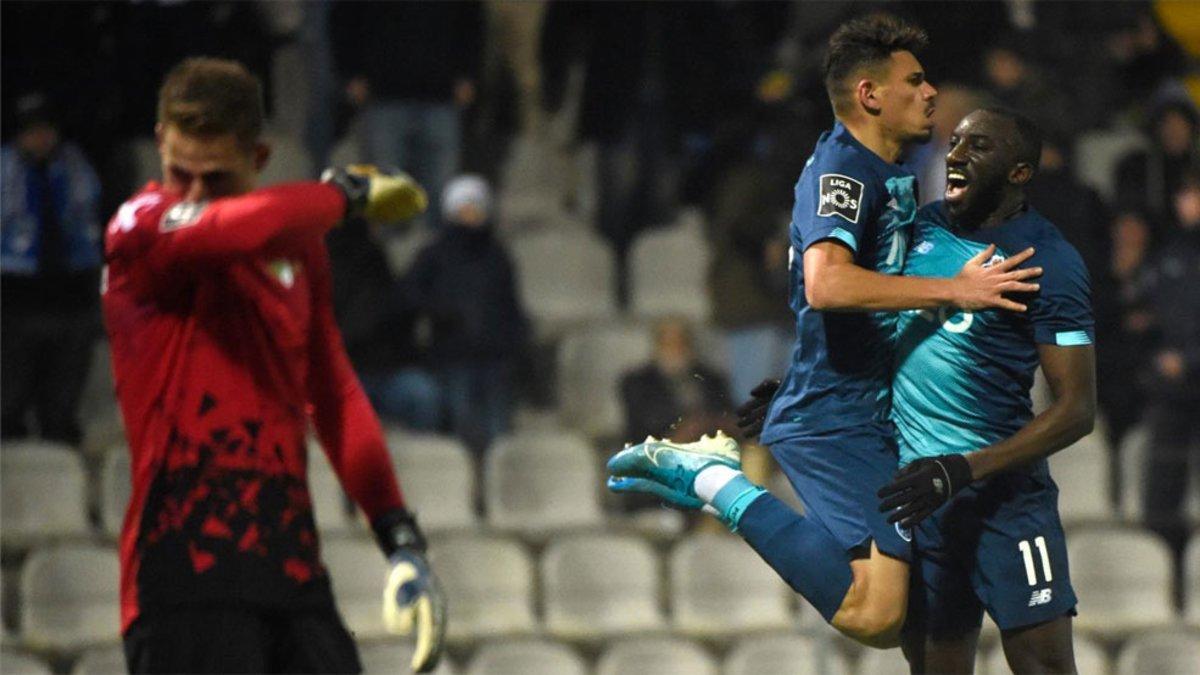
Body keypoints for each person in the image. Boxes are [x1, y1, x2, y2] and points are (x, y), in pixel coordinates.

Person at [608, 14, 1039, 649]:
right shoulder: (842, 174)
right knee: (877, 616)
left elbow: (861, 308)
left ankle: (710, 479)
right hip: (837, 419)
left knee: (912, 611)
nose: (930, 94)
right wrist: (955, 289)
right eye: (915, 82)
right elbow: (827, 284)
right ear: (869, 95)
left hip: (859, 407)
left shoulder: (886, 173)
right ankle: (711, 480)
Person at [102, 58, 444, 674]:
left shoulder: (298, 251)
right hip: (182, 574)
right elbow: (233, 229)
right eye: (181, 173)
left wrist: (398, 535)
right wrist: (346, 194)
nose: (196, 195)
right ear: (159, 146)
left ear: (258, 160)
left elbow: (334, 393)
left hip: (292, 572)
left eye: (217, 178)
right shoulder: (139, 230)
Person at [880, 108, 1094, 674]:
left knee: (1044, 667)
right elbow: (883, 336)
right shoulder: (920, 229)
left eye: (978, 146)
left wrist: (964, 469)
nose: (955, 155)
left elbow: (1077, 411)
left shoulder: (1048, 259)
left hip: (1006, 506)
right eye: (954, 143)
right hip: (925, 500)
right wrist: (803, 388)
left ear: (1019, 173)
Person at [1, 92, 103, 446]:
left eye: (45, 129)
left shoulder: (76, 167)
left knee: (61, 406)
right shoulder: (5, 170)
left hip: (71, 296)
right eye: (31, 131)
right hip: (16, 299)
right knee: (9, 402)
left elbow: (91, 225)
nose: (40, 138)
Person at [403, 174, 529, 455]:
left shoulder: (497, 256)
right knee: (461, 431)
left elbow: (509, 304)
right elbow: (410, 295)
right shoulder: (433, 255)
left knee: (498, 435)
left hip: (494, 358)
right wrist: (443, 312)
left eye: (475, 206)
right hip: (453, 357)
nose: (471, 213)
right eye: (464, 207)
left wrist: (514, 342)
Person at [1137, 167, 1200, 581]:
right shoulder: (1169, 251)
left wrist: (1190, 358)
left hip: (1191, 375)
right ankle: (1164, 576)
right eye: (1185, 194)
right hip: (1171, 391)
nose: (1189, 203)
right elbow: (1149, 316)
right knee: (1161, 497)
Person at [619, 318, 731, 445]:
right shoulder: (637, 383)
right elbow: (642, 424)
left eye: (681, 342)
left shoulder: (712, 379)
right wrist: (682, 430)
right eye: (669, 343)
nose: (676, 349)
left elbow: (727, 414)